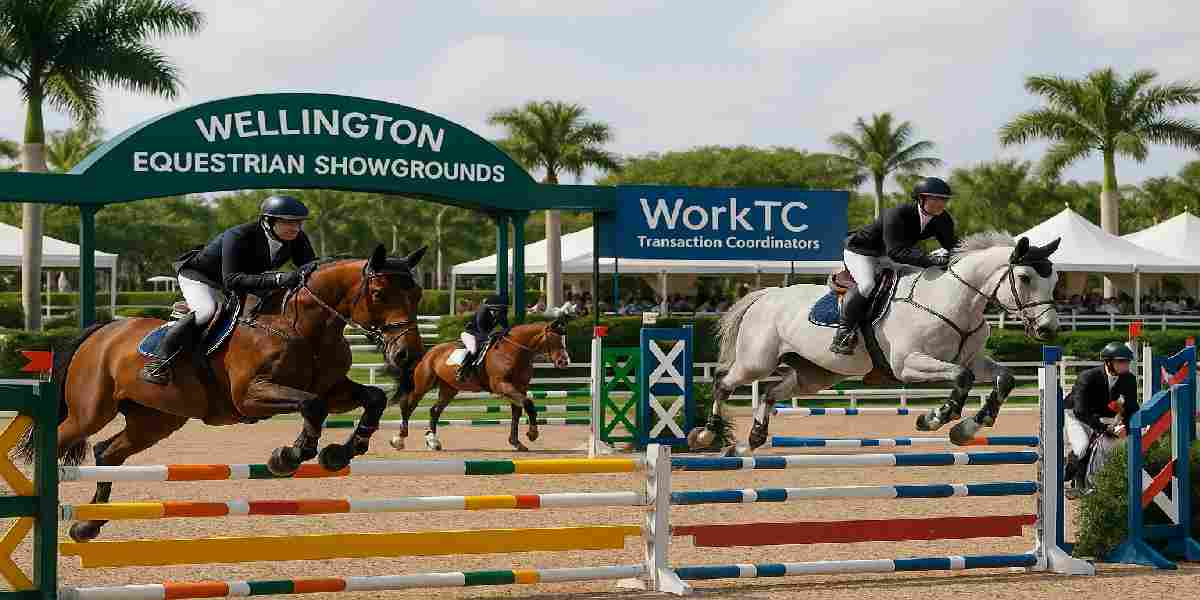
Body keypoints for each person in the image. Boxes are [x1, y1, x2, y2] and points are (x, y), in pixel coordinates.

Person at [140, 194, 317, 385]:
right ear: (268, 221)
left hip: (240, 282)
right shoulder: (239, 236)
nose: (296, 228)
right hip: (202, 277)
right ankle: (158, 362)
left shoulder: (297, 238)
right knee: (206, 311)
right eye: (288, 223)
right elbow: (232, 279)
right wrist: (279, 278)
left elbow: (310, 268)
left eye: (299, 223)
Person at [831, 176, 960, 355]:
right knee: (867, 285)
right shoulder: (896, 214)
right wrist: (930, 260)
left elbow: (953, 246)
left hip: (890, 256)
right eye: (935, 199)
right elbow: (896, 252)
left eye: (944, 200)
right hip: (862, 252)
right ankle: (843, 334)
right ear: (921, 199)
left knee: (924, 279)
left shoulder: (942, 219)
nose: (941, 204)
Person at [1062, 341, 1139, 495]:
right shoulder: (1088, 377)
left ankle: (1081, 469)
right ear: (1108, 362)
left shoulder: (1129, 379)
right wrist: (1106, 428)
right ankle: (1077, 481)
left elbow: (1132, 408)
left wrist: (1127, 426)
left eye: (1128, 361)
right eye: (1121, 361)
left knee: (1108, 443)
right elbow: (1081, 411)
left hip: (1100, 415)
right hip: (1076, 415)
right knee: (1083, 445)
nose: (1126, 365)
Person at [458, 293, 510, 382]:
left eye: (499, 311)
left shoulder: (499, 315)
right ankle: (462, 371)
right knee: (473, 349)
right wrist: (490, 336)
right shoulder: (482, 313)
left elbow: (506, 328)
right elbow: (480, 328)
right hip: (471, 334)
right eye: (494, 310)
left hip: (483, 335)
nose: (497, 313)